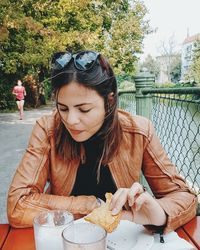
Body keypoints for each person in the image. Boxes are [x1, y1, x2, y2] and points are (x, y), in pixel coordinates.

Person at [7, 51, 197, 236]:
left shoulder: (139, 131)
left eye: (84, 109)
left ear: (110, 100)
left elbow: (185, 197)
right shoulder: (47, 129)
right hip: (66, 239)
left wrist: (159, 214)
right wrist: (92, 206)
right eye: (63, 108)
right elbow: (17, 205)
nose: (71, 120)